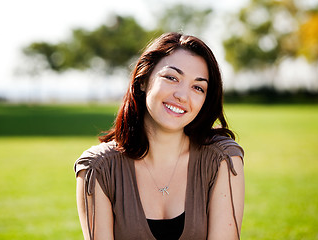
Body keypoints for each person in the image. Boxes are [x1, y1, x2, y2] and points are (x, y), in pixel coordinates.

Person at [74, 32, 245, 240]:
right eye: (172, 78)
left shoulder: (222, 159)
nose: (182, 95)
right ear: (143, 80)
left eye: (198, 87)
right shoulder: (98, 169)